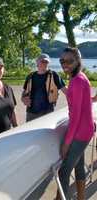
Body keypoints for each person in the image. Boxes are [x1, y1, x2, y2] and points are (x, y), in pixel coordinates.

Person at [55, 47, 95, 200]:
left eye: (69, 61)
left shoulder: (77, 81)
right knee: (78, 166)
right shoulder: (80, 76)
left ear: (78, 61)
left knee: (63, 172)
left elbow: (76, 116)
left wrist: (66, 142)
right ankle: (81, 197)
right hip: (85, 129)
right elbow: (84, 104)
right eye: (62, 61)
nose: (65, 64)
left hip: (80, 133)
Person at [21, 53, 66, 122]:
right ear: (37, 62)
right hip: (31, 113)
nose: (45, 63)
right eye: (43, 61)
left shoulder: (54, 75)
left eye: (46, 62)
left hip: (47, 113)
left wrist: (76, 100)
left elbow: (65, 90)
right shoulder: (30, 76)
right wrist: (23, 98)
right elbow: (24, 92)